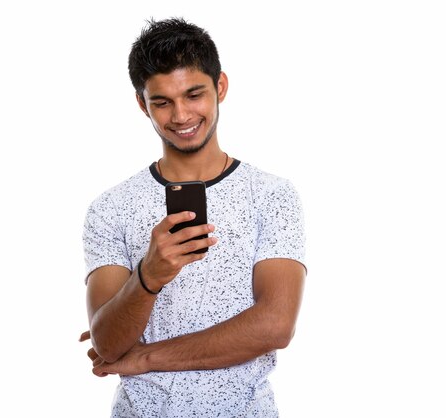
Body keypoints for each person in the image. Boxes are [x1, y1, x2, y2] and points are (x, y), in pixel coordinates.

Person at [79, 17, 306, 417]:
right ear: (141, 104)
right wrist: (148, 277)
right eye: (162, 102)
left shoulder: (271, 196)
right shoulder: (110, 208)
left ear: (220, 87)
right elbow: (109, 345)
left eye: (194, 94)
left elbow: (274, 325)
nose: (181, 116)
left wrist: (147, 357)